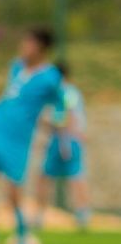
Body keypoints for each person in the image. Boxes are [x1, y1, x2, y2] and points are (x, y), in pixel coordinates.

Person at [0, 26, 65, 244]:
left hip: (17, 140)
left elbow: (60, 106)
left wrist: (56, 125)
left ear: (41, 48)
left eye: (29, 44)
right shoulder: (16, 66)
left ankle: (23, 243)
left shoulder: (50, 77)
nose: (24, 48)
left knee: (13, 194)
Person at [37, 65, 90, 231]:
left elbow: (69, 116)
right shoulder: (65, 92)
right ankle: (41, 215)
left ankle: (82, 214)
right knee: (49, 176)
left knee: (74, 176)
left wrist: (58, 131)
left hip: (66, 140)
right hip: (61, 139)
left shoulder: (66, 92)